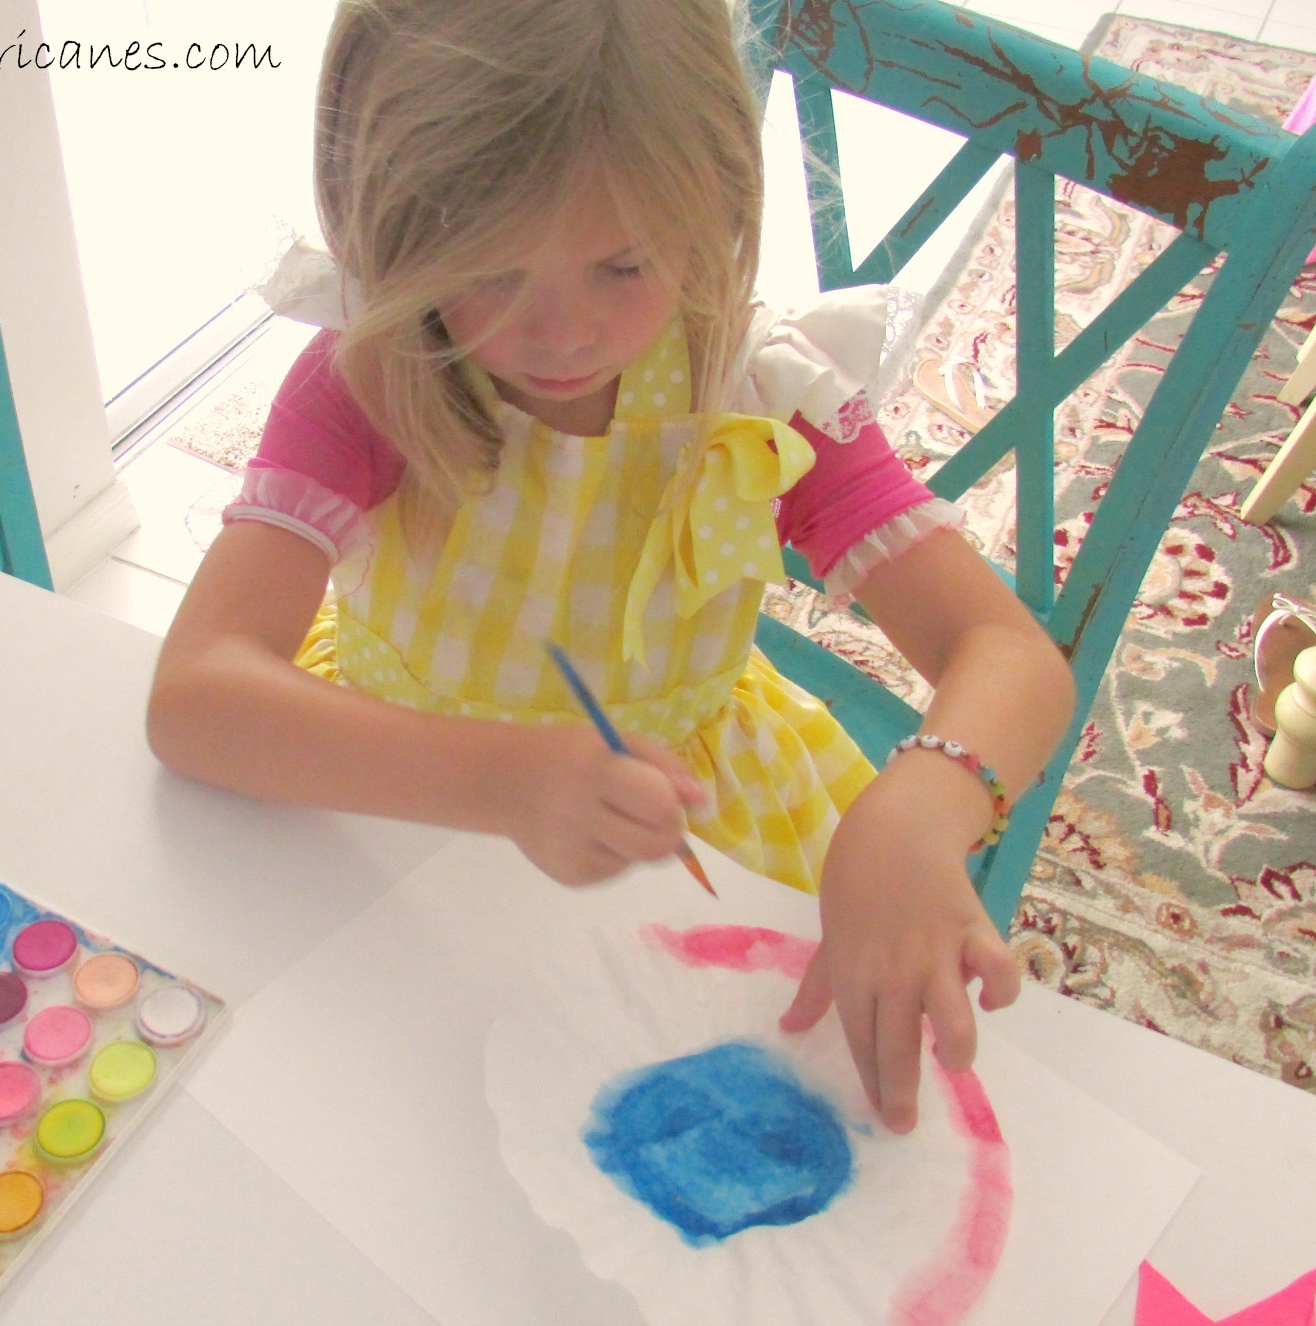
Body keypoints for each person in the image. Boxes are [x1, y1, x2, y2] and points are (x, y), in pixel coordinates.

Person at [146, 0, 1074, 1132]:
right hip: (384, 795)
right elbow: (195, 697)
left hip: (682, 828)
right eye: (488, 273)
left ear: (715, 211)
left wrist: (918, 810)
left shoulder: (757, 392)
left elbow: (1007, 653)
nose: (561, 335)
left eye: (620, 267)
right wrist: (501, 780)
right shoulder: (376, 382)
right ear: (384, 223)